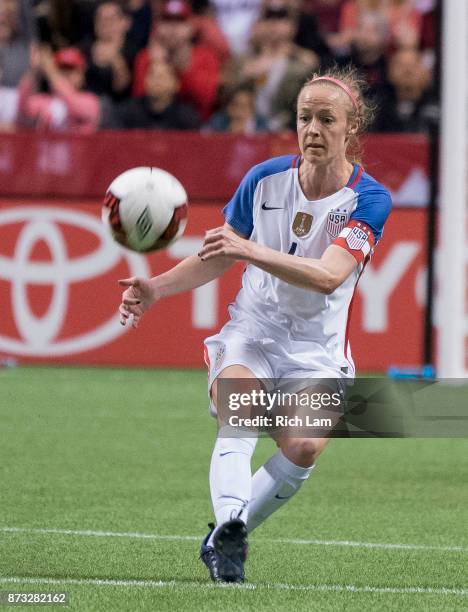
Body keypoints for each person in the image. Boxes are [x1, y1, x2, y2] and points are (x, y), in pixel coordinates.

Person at [118, 66, 392, 583]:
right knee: (239, 412)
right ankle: (230, 531)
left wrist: (249, 248)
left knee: (304, 447)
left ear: (350, 129)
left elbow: (329, 276)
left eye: (326, 120)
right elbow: (219, 257)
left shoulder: (369, 199)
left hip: (318, 350)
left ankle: (222, 535)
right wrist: (156, 288)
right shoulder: (263, 179)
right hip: (253, 332)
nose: (312, 129)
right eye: (304, 117)